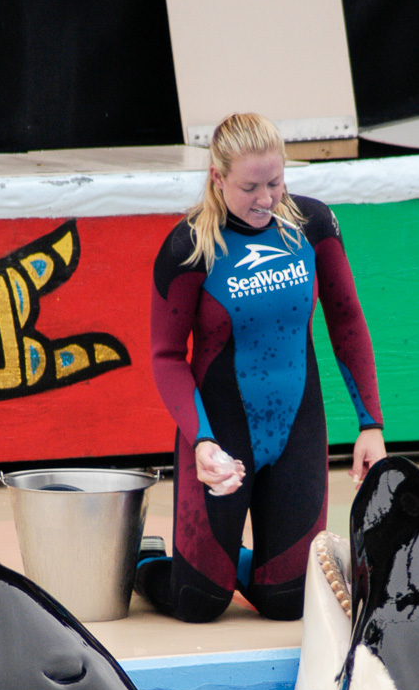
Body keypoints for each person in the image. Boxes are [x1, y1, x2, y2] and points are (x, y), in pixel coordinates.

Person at [136, 111, 386, 622]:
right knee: (199, 603)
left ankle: (231, 563)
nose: (267, 199)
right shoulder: (190, 247)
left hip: (296, 430)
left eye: (275, 182)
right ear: (217, 177)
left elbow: (346, 320)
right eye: (250, 187)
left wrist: (371, 426)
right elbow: (166, 356)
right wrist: (202, 440)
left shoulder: (312, 225)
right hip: (221, 433)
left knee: (290, 602)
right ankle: (143, 559)